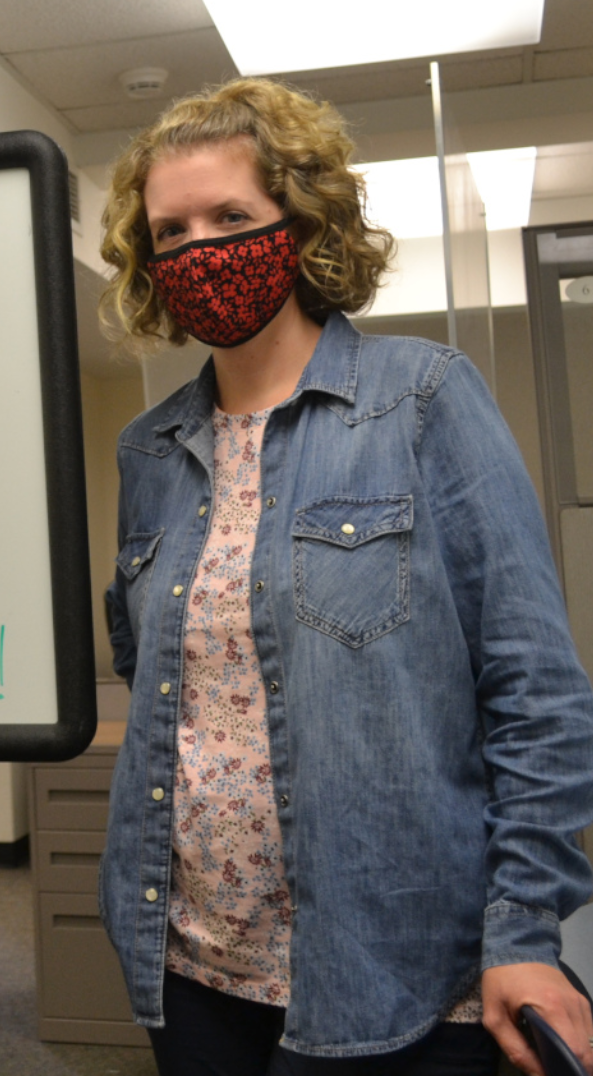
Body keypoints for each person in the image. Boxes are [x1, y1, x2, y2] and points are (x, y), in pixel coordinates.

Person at [95, 77, 593, 1076]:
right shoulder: (150, 450)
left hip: (397, 962)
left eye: (230, 216)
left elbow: (535, 692)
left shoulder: (425, 401)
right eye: (171, 230)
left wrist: (527, 929)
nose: (199, 249)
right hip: (187, 958)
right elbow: (154, 673)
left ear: (301, 225)